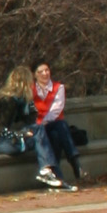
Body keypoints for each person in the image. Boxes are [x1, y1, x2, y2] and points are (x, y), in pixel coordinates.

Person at [32, 61, 83, 191]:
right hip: (39, 129)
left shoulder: (58, 88)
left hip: (53, 124)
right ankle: (72, 162)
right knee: (58, 129)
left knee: (59, 128)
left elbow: (56, 109)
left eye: (47, 70)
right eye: (41, 71)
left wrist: (45, 121)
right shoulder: (31, 90)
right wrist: (41, 123)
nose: (45, 74)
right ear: (35, 75)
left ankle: (66, 170)